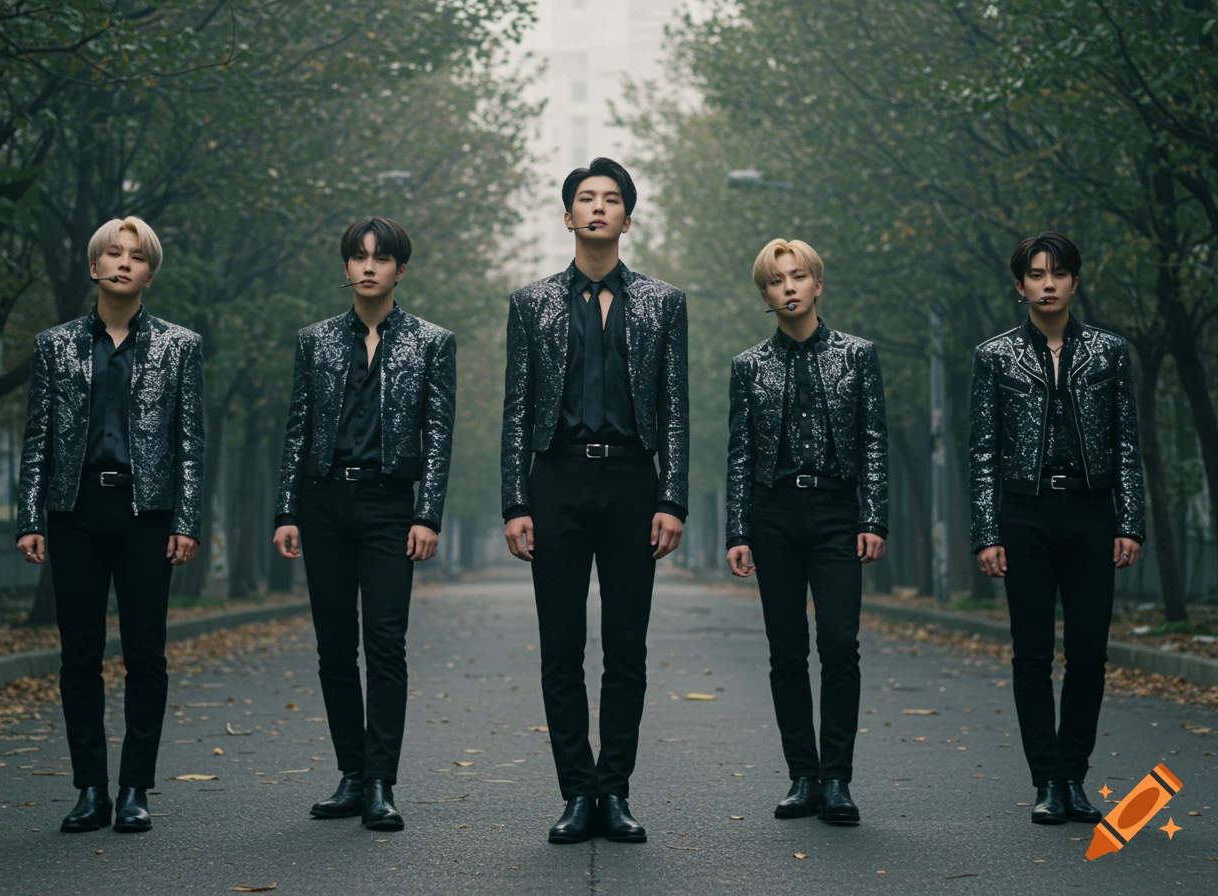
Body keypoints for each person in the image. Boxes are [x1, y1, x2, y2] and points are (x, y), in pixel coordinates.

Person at [501, 157, 689, 844]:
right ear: (568, 216)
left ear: (627, 220)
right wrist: (514, 503)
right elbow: (516, 409)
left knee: (626, 647)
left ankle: (615, 790)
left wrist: (673, 498)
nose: (599, 207)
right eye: (587, 198)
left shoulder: (664, 303)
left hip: (633, 483)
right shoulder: (531, 303)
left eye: (612, 199)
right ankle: (576, 793)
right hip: (556, 482)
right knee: (560, 646)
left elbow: (675, 407)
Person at [16, 216, 204, 834]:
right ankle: (90, 789)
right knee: (79, 657)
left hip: (147, 515)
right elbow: (38, 437)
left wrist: (186, 519)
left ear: (150, 273)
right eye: (114, 253)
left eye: (137, 256)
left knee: (146, 655)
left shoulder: (180, 346)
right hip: (74, 514)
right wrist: (30, 516)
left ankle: (134, 790)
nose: (124, 263)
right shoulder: (54, 345)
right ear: (94, 266)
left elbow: (190, 443)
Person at [273, 217, 456, 831]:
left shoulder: (432, 342)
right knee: (333, 644)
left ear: (401, 270)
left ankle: (381, 781)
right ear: (346, 266)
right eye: (359, 256)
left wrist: (427, 514)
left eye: (381, 257)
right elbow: (298, 429)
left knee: (384, 641)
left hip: (389, 506)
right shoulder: (316, 341)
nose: (369, 266)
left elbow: (439, 436)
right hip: (323, 502)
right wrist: (287, 510)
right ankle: (351, 774)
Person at [969, 231, 1144, 825]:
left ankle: (1074, 777)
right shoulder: (995, 356)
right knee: (1032, 652)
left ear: (1075, 281)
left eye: (1059, 273)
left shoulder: (1109, 352)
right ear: (1020, 285)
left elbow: (1126, 443)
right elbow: (983, 451)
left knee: (1089, 652)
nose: (1048, 284)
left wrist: (1130, 521)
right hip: (1026, 514)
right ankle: (1046, 780)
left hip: (1092, 513)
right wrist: (987, 531)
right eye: (1037, 275)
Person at [725, 237, 888, 826]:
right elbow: (740, 452)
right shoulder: (748, 366)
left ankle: (837, 778)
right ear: (765, 295)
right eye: (775, 281)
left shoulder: (857, 356)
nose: (788, 287)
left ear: (817, 284)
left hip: (837, 512)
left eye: (797, 276)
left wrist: (873, 517)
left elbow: (874, 440)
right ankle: (803, 775)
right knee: (787, 649)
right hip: (773, 515)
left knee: (840, 643)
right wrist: (737, 530)